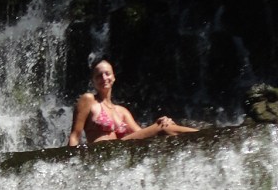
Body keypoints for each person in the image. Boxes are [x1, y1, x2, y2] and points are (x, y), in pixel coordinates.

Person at [67, 58, 199, 147]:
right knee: (161, 128)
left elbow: (143, 134)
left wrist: (161, 122)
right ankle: (206, 137)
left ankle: (202, 139)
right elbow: (75, 136)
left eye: (107, 74)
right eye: (98, 76)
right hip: (100, 152)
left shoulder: (122, 111)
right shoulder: (88, 100)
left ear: (113, 77)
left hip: (118, 153)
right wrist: (71, 164)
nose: (104, 78)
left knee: (163, 128)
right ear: (93, 81)